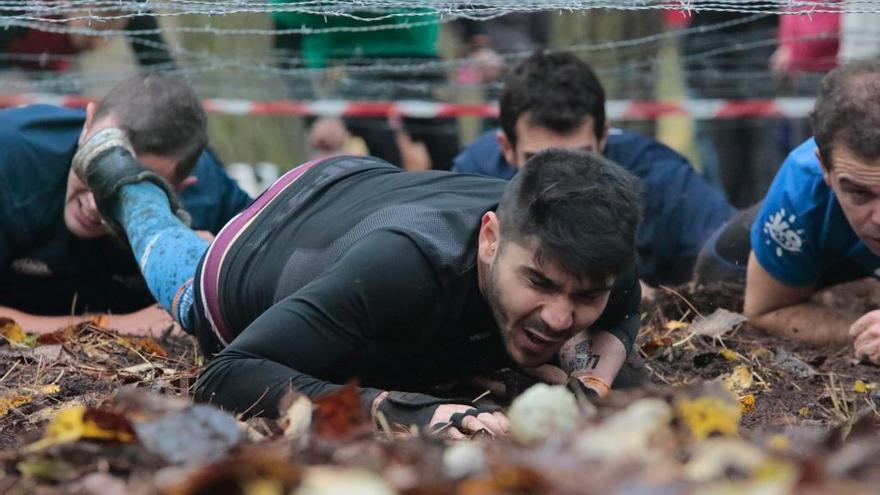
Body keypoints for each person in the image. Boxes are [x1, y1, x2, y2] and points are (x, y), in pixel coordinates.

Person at [70, 130, 642, 437]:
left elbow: (621, 312)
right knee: (185, 276)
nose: (561, 318)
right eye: (538, 282)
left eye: (584, 296)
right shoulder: (403, 271)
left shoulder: (599, 263)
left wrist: (589, 378)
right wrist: (409, 412)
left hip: (360, 189)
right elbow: (224, 377)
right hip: (255, 251)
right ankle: (124, 180)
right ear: (490, 238)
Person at [0, 73, 252, 335]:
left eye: (130, 191)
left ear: (178, 188)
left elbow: (276, 271)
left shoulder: (209, 198)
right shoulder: (11, 153)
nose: (96, 205)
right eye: (97, 165)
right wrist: (117, 326)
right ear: (88, 124)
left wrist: (216, 266)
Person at [453, 52, 735, 286]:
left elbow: (731, 255)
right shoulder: (474, 177)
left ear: (603, 137)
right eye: (538, 161)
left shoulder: (662, 180)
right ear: (506, 148)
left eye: (580, 159)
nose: (562, 181)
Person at [698, 60, 880, 363]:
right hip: (826, 243)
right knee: (721, 267)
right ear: (824, 167)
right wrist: (863, 330)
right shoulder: (802, 188)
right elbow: (766, 311)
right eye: (859, 192)